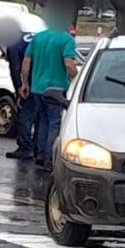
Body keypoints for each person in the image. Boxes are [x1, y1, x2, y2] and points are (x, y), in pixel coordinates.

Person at [19, 10, 79, 172]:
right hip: (57, 89)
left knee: (43, 120)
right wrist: (77, 79)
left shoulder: (38, 38)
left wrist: (25, 83)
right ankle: (48, 158)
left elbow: (26, 61)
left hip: (38, 88)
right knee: (54, 123)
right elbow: (69, 64)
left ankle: (39, 154)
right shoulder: (67, 40)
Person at [6, 33, 35, 160]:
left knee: (24, 114)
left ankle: (25, 147)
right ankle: (39, 148)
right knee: (41, 117)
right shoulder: (34, 37)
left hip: (29, 82)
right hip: (45, 81)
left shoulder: (13, 44)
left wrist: (19, 88)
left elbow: (15, 68)